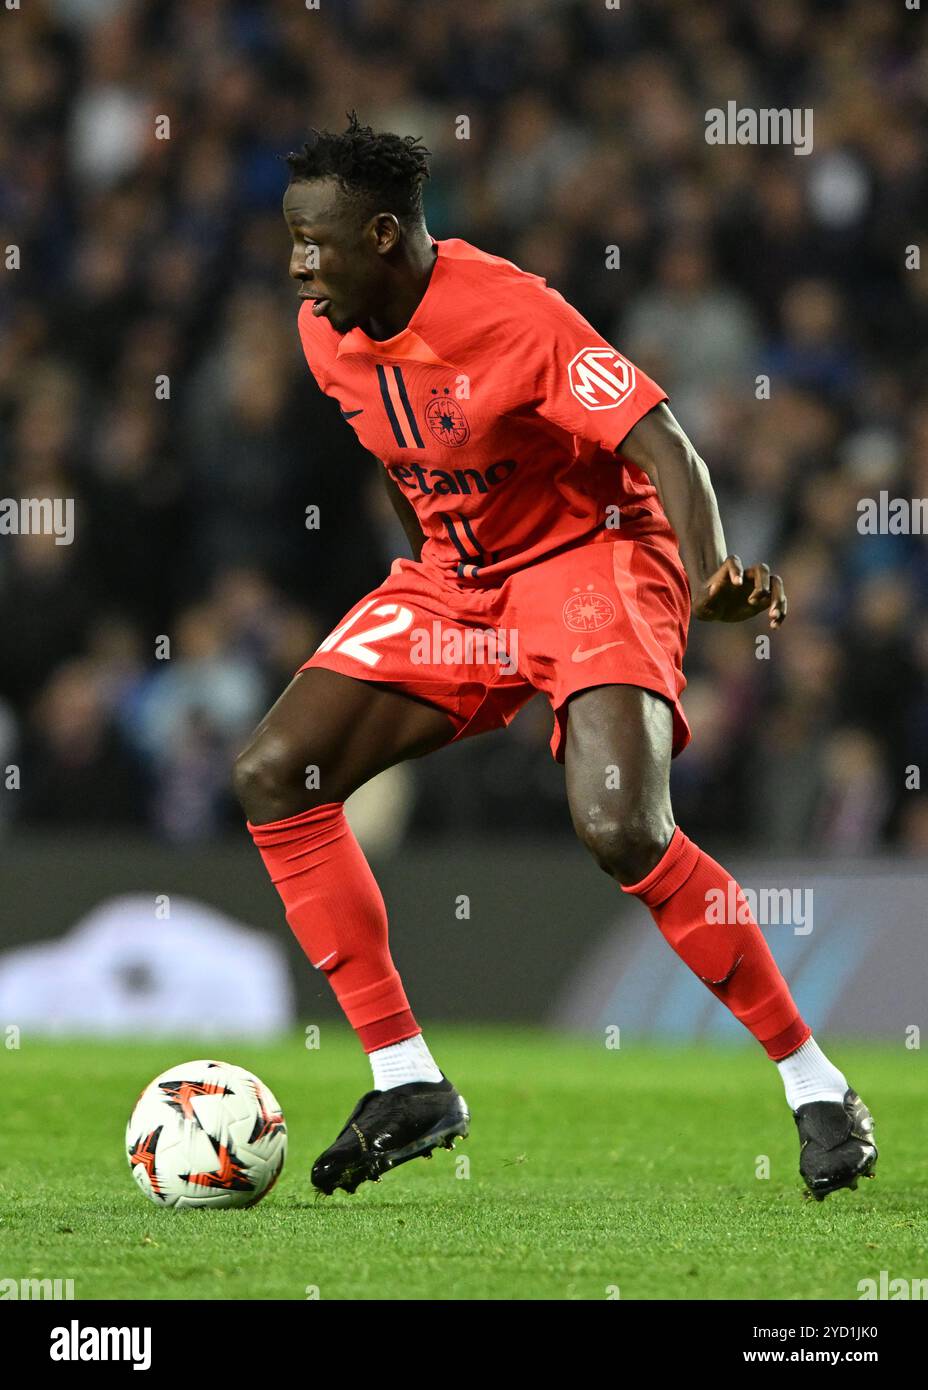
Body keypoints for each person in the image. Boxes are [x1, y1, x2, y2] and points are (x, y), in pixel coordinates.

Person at [234, 114, 876, 1201]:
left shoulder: (510, 313)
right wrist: (430, 597)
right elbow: (402, 458)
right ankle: (406, 1078)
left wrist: (711, 572)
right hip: (457, 580)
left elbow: (659, 438)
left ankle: (814, 1083)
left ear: (383, 235)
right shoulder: (322, 331)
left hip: (591, 560)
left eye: (316, 242)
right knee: (272, 776)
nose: (298, 265)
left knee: (623, 827)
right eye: (293, 240)